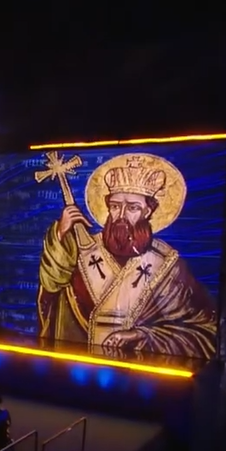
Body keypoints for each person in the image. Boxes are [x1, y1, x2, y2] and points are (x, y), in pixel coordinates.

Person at [38, 153, 217, 358]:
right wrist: (61, 233)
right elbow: (52, 287)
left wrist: (142, 336)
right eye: (115, 206)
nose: (121, 215)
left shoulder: (167, 265)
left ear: (148, 212)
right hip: (78, 367)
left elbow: (201, 332)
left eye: (133, 207)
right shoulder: (82, 250)